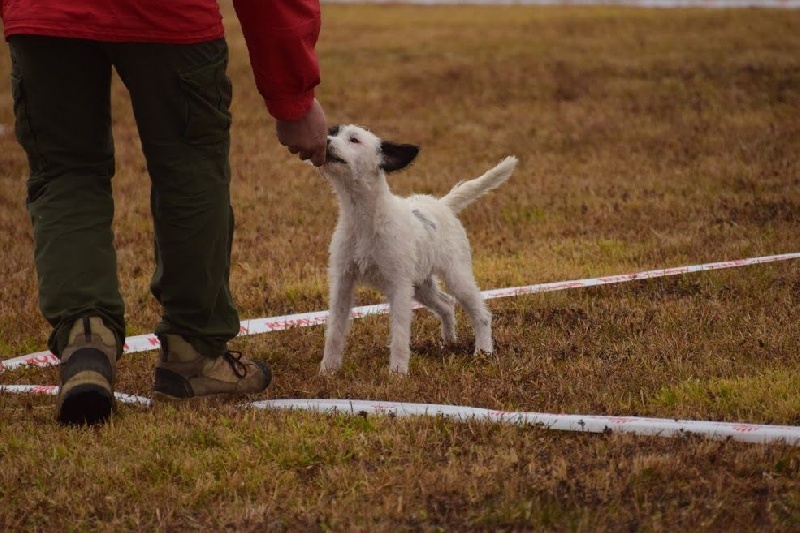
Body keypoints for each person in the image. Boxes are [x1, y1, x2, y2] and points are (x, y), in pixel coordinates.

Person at [0, 0, 328, 425]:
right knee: (189, 173)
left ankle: (86, 342)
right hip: (169, 16)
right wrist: (293, 97)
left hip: (45, 14)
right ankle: (193, 359)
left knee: (65, 173)